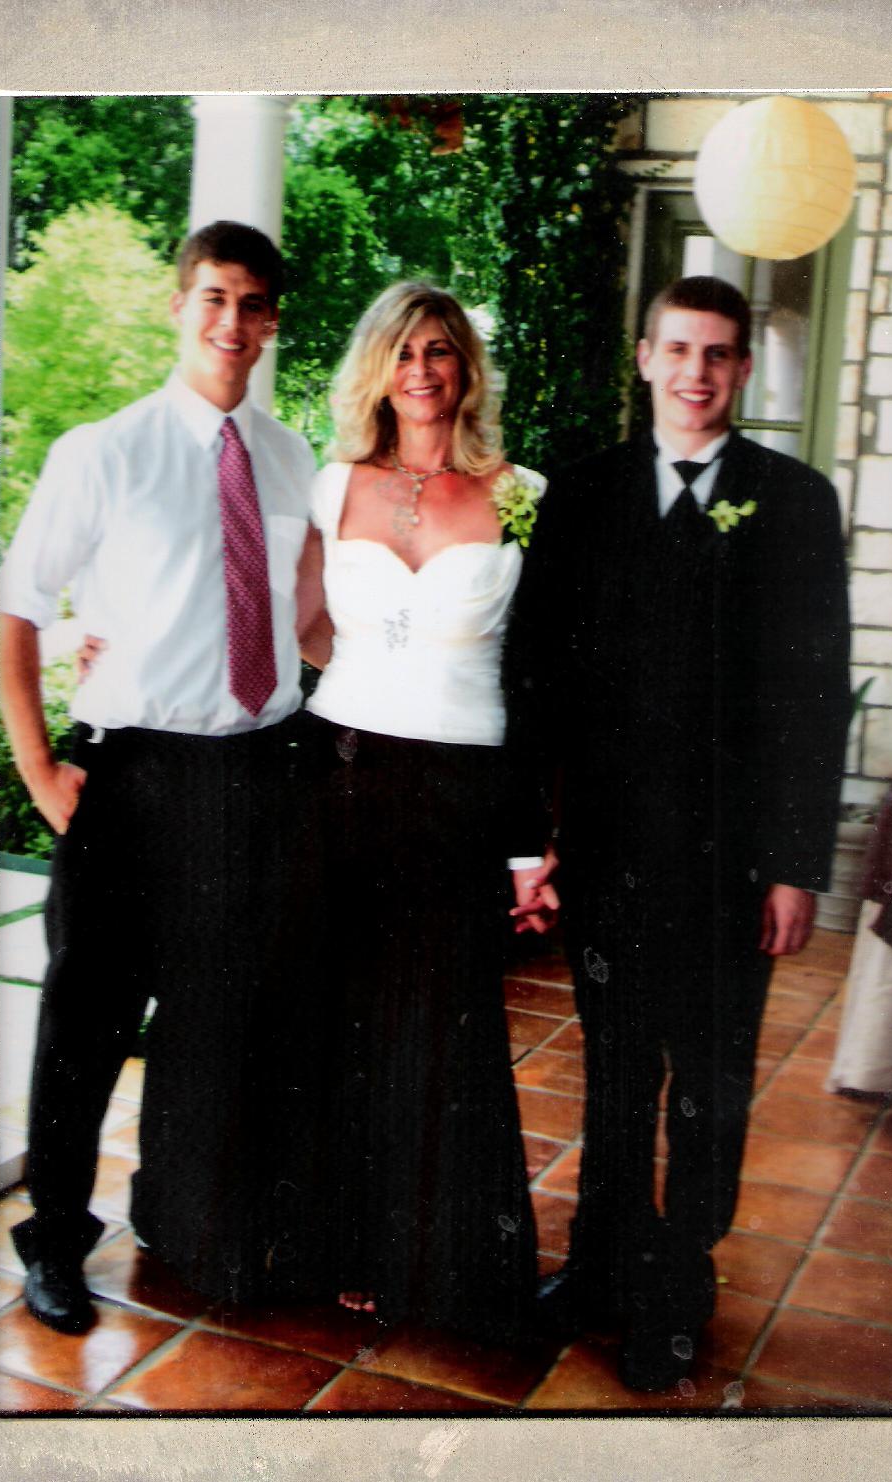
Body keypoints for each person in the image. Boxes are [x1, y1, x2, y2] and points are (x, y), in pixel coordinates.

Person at [505, 275, 851, 1389]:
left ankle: (676, 1283)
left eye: (717, 354)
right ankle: (596, 1262)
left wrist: (795, 865)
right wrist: (532, 837)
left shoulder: (793, 501)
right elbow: (535, 677)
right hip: (610, 850)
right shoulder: (583, 493)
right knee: (614, 1073)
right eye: (678, 349)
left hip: (731, 863)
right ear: (645, 358)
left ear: (740, 368)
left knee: (708, 1081)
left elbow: (813, 698)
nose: (696, 372)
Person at [0, 221, 320, 1332]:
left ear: (272, 323)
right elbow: (18, 605)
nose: (232, 321)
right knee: (85, 1022)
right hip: (130, 778)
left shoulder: (292, 458)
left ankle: (178, 1222)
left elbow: (308, 618)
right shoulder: (105, 450)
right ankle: (52, 1237)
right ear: (177, 306)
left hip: (254, 774)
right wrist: (38, 765)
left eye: (253, 303)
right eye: (214, 297)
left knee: (212, 1025)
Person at [292, 281, 550, 1344]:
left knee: (446, 1024)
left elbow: (539, 669)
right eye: (402, 351)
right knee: (347, 1017)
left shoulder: (521, 492)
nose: (422, 370)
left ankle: (443, 1262)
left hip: (461, 789)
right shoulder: (332, 486)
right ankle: (352, 1247)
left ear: (465, 368)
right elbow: (304, 625)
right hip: (344, 771)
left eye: (439, 350)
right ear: (378, 369)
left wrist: (532, 838)